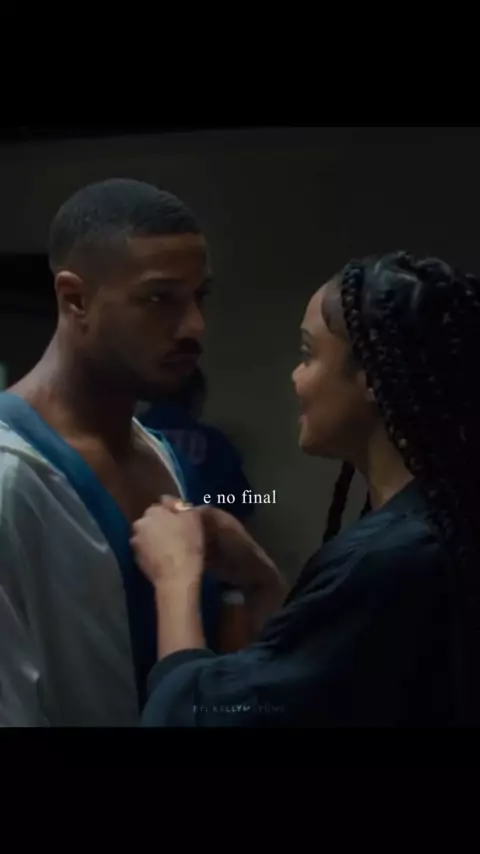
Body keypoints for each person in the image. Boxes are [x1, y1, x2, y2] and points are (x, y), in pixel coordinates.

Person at [131, 251, 480, 727]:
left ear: (372, 376)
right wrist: (262, 582)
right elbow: (324, 675)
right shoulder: (443, 522)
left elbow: (203, 718)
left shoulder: (397, 559)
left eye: (307, 354)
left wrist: (175, 576)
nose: (296, 378)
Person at [0, 178, 255, 727]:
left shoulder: (163, 456)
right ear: (76, 299)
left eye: (199, 297)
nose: (195, 327)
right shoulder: (9, 477)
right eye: (160, 298)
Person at [138, 367, 255, 522]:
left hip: (140, 530)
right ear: (197, 396)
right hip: (199, 530)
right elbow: (243, 503)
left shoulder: (130, 433)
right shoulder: (214, 442)